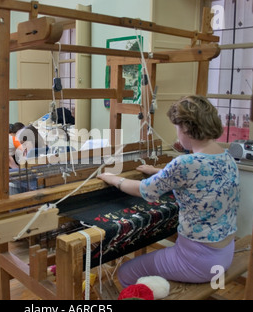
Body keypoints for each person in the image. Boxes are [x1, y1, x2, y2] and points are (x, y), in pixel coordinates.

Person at [97, 95, 240, 287]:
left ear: (186, 128)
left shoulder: (185, 163)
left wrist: (113, 178)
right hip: (224, 254)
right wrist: (158, 172)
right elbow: (200, 177)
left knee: (126, 272)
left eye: (177, 128)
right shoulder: (226, 157)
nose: (178, 135)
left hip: (198, 261)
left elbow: (144, 190)